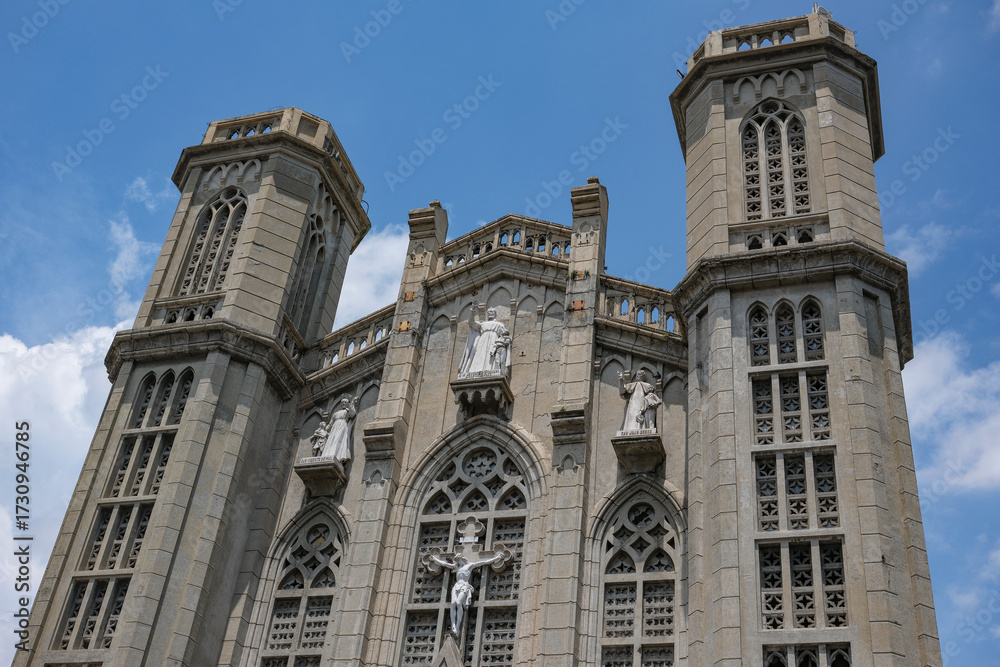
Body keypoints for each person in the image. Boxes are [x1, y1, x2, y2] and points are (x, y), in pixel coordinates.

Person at [430, 551, 507, 636]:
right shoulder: (456, 567)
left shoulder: (469, 566)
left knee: (458, 603)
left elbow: (484, 562)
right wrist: (435, 559)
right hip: (456, 586)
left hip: (464, 586)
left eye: (458, 560)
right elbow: (445, 564)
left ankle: (458, 626)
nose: (457, 562)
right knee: (453, 603)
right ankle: (453, 626)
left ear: (461, 559)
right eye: (456, 560)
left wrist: (497, 558)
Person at [459, 303, 511, 375]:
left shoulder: (499, 325)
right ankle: (477, 370)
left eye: (492, 311)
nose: (490, 313)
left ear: (495, 314)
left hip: (494, 340)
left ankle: (491, 370)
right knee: (480, 354)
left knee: (490, 357)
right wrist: (473, 310)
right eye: (489, 312)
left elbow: (505, 335)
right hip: (482, 341)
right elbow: (471, 323)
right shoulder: (482, 324)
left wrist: (501, 343)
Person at [320, 396, 358, 462]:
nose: (343, 403)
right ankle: (328, 455)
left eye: (345, 402)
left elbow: (352, 414)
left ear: (347, 403)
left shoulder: (347, 411)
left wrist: (351, 404)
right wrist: (325, 429)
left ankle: (336, 455)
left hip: (342, 426)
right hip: (334, 427)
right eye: (342, 402)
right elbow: (330, 424)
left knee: (338, 440)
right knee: (331, 440)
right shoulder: (336, 413)